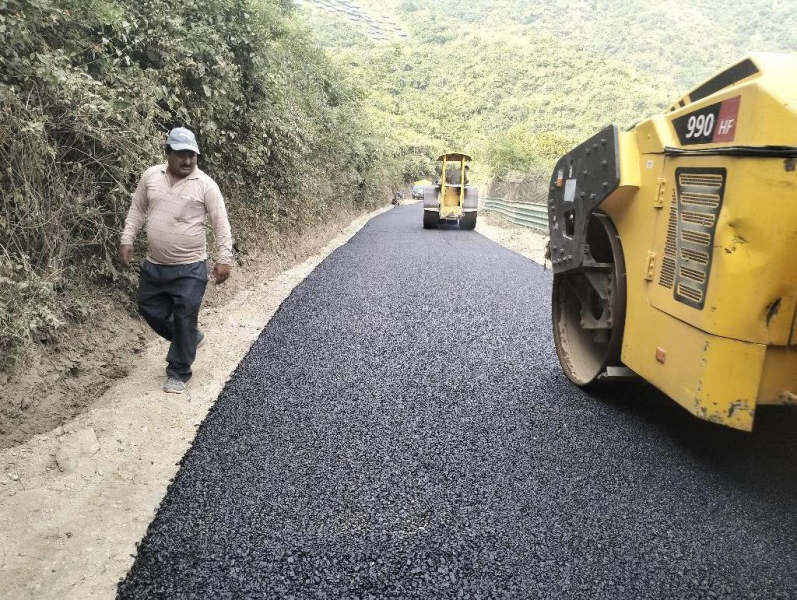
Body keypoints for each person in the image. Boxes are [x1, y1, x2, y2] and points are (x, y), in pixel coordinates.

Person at [119, 127, 233, 394]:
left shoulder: (205, 184)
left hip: (191, 267)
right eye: (181, 154)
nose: (188, 160)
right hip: (155, 265)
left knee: (184, 316)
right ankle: (189, 337)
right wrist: (127, 238)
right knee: (148, 307)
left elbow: (221, 223)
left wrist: (224, 259)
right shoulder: (151, 176)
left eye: (192, 155)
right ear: (167, 153)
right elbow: (137, 208)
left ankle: (178, 372)